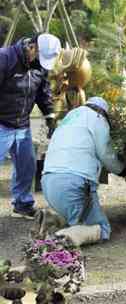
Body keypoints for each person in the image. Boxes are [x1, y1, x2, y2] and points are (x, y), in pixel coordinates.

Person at [40, 97, 126, 246]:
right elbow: (106, 154)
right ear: (104, 112)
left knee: (75, 212)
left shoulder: (70, 117)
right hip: (73, 185)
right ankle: (63, 237)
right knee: (103, 228)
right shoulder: (98, 118)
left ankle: (52, 219)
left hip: (48, 183)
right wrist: (123, 170)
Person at [0, 33, 61, 219]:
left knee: (27, 167)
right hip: (1, 124)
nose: (42, 63)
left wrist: (50, 116)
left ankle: (22, 205)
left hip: (22, 125)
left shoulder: (40, 66)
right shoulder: (5, 58)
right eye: (40, 57)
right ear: (32, 46)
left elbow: (43, 93)